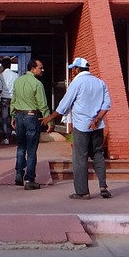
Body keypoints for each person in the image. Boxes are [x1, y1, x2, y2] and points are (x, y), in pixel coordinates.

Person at [48, 57, 111, 200]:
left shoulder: (77, 83)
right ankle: (103, 186)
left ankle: (82, 191)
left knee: (80, 157)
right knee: (98, 154)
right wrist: (96, 120)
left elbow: (64, 105)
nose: (72, 72)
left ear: (77, 69)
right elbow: (106, 105)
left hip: (82, 126)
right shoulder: (100, 83)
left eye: (73, 69)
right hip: (97, 126)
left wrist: (50, 118)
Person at [10, 58, 50, 189]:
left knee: (21, 147)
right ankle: (30, 179)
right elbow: (42, 104)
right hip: (31, 116)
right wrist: (48, 119)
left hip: (19, 115)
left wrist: (12, 115)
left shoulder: (17, 81)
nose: (42, 70)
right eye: (40, 68)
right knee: (31, 150)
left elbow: (13, 99)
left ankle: (18, 173)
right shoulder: (37, 84)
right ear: (33, 68)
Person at [0, 57, 19, 145]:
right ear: (10, 65)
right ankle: (14, 131)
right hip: (14, 98)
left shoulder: (0, 76)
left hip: (4, 98)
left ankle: (6, 138)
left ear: (2, 66)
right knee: (14, 116)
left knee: (4, 118)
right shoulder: (16, 75)